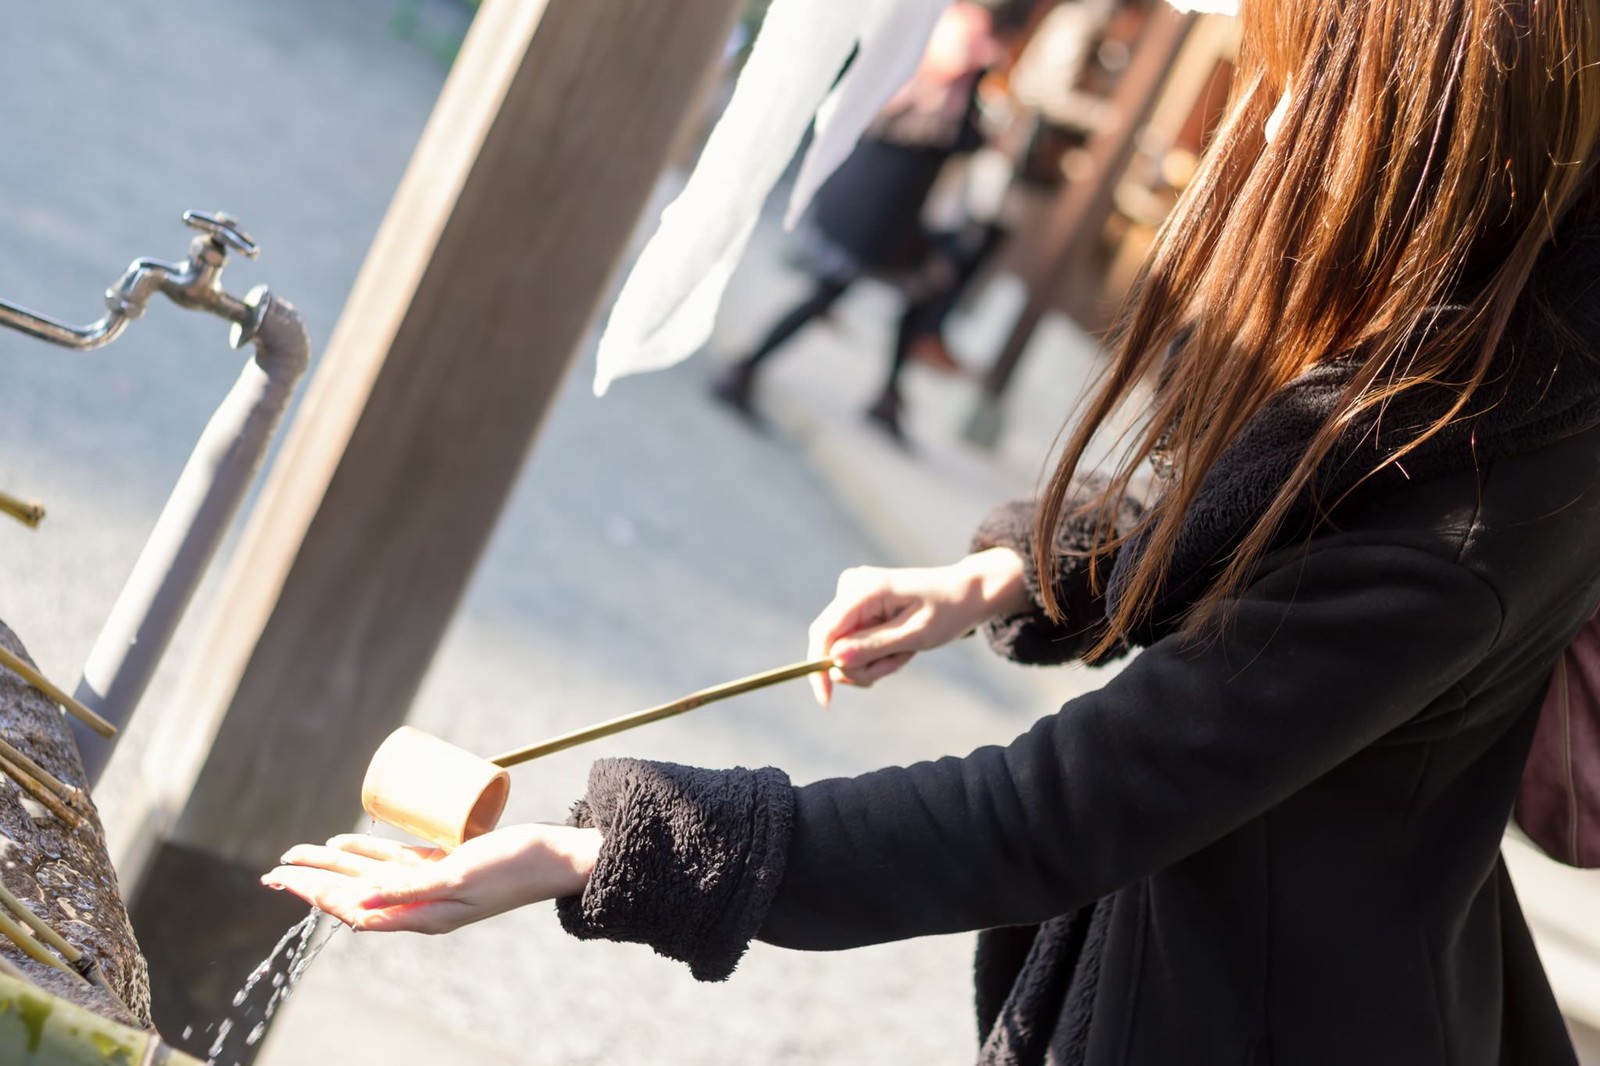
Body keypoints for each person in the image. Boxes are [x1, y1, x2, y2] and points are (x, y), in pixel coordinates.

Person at [265, 1, 1600, 1062]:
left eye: (1307, 79)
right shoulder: (1498, 370)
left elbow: (1055, 812)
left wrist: (603, 850)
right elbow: (1261, 529)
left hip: (1271, 1014)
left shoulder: (1469, 498)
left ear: (1437, 132)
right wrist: (1005, 574)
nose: (1259, 123)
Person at [710, 0, 1013, 443]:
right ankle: (745, 366)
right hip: (881, 195)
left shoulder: (954, 25)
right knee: (831, 289)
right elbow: (941, 94)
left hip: (902, 203)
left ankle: (886, 396)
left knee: (919, 294)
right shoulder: (951, 24)